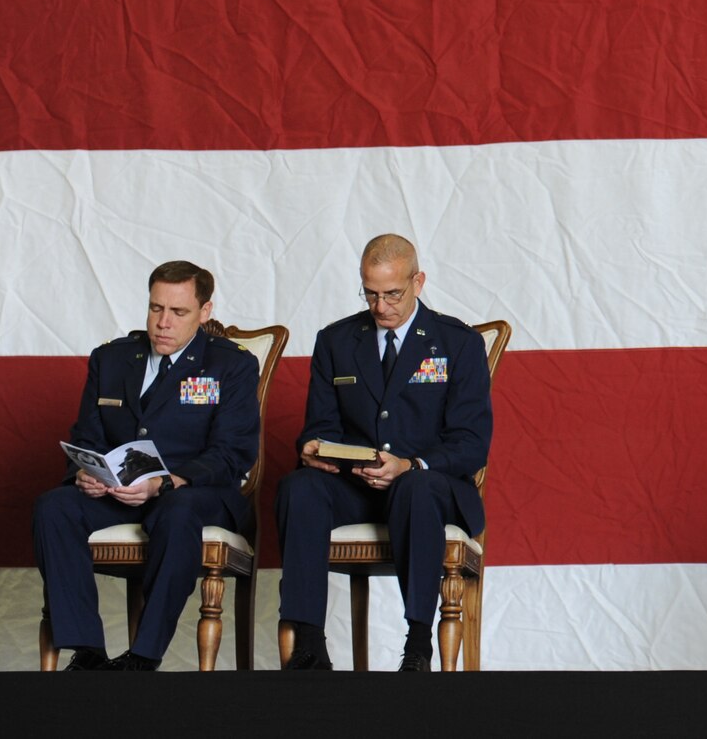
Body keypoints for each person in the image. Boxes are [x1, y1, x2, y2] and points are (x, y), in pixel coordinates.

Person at [277, 234, 493, 671]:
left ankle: (417, 642)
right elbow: (320, 424)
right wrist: (314, 448)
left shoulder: (459, 343)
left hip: (429, 487)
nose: (381, 307)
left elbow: (471, 442)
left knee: (416, 487)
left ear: (418, 281)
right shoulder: (336, 341)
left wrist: (411, 464)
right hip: (356, 485)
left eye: (392, 293)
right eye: (371, 294)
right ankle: (309, 644)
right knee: (298, 487)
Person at [33, 261, 259, 671]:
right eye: (156, 309)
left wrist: (166, 482)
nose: (163, 324)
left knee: (178, 510)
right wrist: (87, 474)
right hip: (119, 490)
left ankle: (144, 655)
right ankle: (88, 652)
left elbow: (232, 453)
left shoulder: (232, 364)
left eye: (178, 312)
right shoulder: (112, 359)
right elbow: (87, 435)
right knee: (54, 506)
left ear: (204, 312)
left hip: (195, 492)